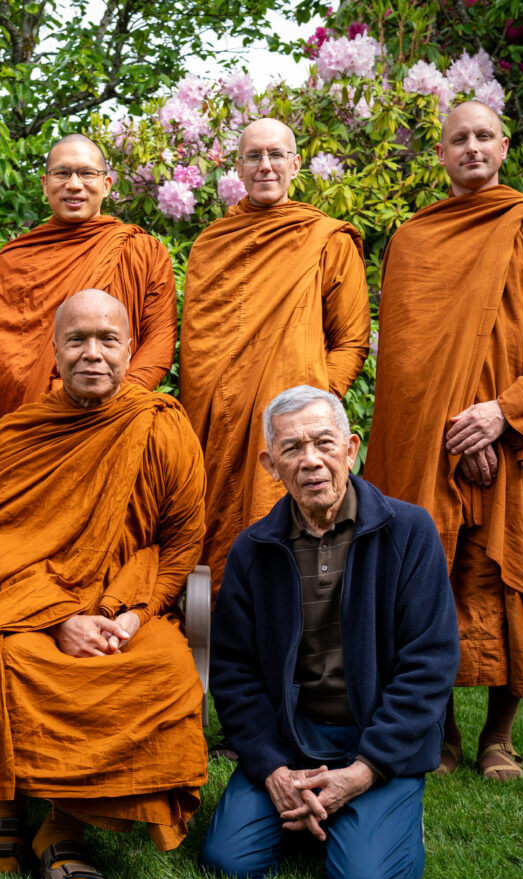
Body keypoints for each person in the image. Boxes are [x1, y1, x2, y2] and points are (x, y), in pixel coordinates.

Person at [0, 288, 207, 879]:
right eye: (77, 340)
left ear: (131, 348)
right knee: (0, 653)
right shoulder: (21, 433)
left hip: (127, 601)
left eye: (108, 339)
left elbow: (184, 540)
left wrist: (132, 616)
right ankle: (1, 814)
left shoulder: (160, 423)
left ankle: (64, 827)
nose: (93, 353)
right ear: (54, 350)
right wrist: (56, 620)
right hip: (27, 599)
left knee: (160, 669)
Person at [363, 100, 523, 780]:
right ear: (440, 154)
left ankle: (500, 736)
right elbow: (408, 363)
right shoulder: (412, 240)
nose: (471, 146)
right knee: (423, 578)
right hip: (427, 443)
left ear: (503, 147)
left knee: (506, 576)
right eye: (457, 138)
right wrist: (452, 432)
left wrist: (500, 412)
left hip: (519, 434)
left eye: (483, 136)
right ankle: (439, 733)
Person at [200, 386, 458, 879]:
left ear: (350, 448)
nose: (311, 460)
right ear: (271, 465)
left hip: (376, 735)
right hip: (289, 737)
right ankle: (313, 808)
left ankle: (372, 807)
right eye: (292, 449)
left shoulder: (409, 531)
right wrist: (273, 768)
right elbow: (233, 671)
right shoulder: (253, 549)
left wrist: (364, 771)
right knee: (228, 865)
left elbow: (429, 665)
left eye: (323, 442)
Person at [180, 117, 371, 590]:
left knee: (294, 538)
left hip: (293, 428)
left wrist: (314, 403)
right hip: (219, 426)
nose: (265, 166)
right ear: (238, 168)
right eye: (253, 156)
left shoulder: (326, 239)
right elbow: (200, 352)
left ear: (295, 164)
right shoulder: (211, 245)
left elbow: (351, 340)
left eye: (276, 155)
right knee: (223, 544)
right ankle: (230, 650)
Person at [0, 134, 176, 423]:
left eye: (87, 173)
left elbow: (159, 341)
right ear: (45, 186)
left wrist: (113, 402)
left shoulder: (143, 251)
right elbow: (6, 361)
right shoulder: (14, 260)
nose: (74, 184)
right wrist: (64, 400)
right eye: (62, 173)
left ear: (106, 185)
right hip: (41, 422)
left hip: (120, 414)